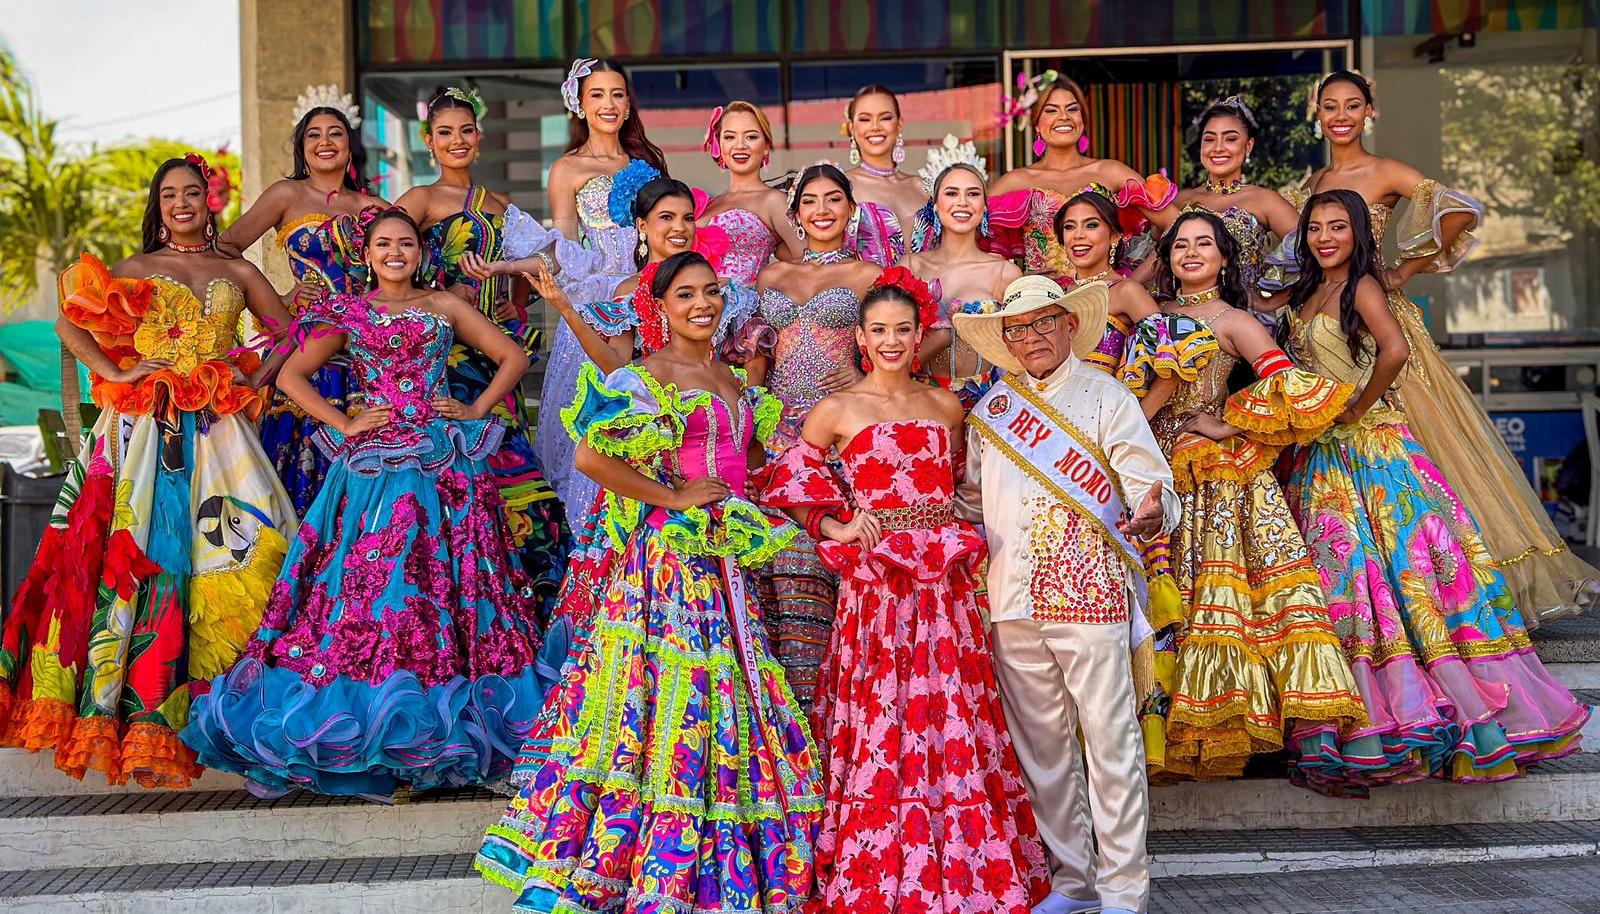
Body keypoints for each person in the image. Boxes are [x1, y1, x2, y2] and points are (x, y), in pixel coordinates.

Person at [475, 251, 823, 913]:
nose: (703, 304)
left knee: (728, 693)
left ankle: (721, 858)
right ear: (658, 308)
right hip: (670, 563)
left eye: (712, 291)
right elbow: (590, 456)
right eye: (686, 293)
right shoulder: (644, 376)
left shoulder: (732, 376)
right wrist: (675, 499)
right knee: (679, 695)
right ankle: (652, 864)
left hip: (730, 559)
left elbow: (748, 458)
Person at [181, 208, 549, 797]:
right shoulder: (350, 312)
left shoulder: (444, 306)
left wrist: (476, 409)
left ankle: (434, 719)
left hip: (440, 457)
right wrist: (344, 421)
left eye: (406, 243)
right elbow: (291, 377)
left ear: (420, 253)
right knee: (377, 582)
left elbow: (514, 356)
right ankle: (382, 718)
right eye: (385, 244)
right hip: (374, 462)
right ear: (369, 254)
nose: (397, 252)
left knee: (446, 582)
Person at [1279, 190, 1590, 792]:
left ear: (1356, 234)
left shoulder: (1362, 286)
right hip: (1322, 460)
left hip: (1372, 451)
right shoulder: (1305, 294)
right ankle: (1372, 719)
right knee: (1350, 584)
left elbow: (1394, 350)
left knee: (1407, 580)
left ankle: (1459, 717)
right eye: (1316, 228)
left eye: (1337, 227)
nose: (1324, 238)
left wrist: (1355, 408)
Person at [0, 156, 296, 788]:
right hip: (140, 432)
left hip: (220, 433)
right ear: (158, 206)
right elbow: (68, 323)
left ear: (209, 202)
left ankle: (236, 709)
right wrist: (114, 372)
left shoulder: (238, 270)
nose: (182, 203)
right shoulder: (136, 269)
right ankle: (137, 713)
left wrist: (254, 375)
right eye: (170, 195)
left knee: (254, 551)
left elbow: (290, 334)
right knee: (136, 560)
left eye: (192, 193)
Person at [763, 268, 1049, 914]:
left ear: (921, 335)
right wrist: (834, 521)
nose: (891, 341)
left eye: (902, 330)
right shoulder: (836, 410)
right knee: (883, 717)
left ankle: (962, 862)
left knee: (951, 714)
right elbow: (786, 477)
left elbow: (974, 487)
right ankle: (883, 858)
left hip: (945, 589)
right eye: (879, 331)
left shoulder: (947, 406)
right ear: (861, 337)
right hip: (878, 586)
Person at [1289, 69, 1598, 625]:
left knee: (1427, 449)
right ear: (1317, 113)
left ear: (1370, 112)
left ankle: (1469, 588)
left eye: (1352, 105)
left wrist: (1403, 268)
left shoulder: (1384, 171)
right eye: (1330, 105)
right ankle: (1395, 590)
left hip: (1379, 318)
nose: (1340, 115)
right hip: (1334, 329)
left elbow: (1461, 209)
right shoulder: (1310, 183)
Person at [952, 275, 1176, 914]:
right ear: (1005, 340)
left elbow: (1150, 485)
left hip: (1086, 594)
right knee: (1044, 756)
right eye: (1017, 329)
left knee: (1111, 748)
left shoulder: (1107, 396)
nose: (1031, 337)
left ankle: (1124, 893)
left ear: (1068, 325)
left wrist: (1153, 511)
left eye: (1042, 323)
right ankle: (1073, 884)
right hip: (1011, 597)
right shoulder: (992, 411)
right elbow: (970, 499)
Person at [1127, 211, 1366, 782]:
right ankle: (1167, 734)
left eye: (1204, 244)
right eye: (1179, 245)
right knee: (1166, 598)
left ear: (1226, 257)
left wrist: (1225, 423)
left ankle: (1230, 729)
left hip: (1219, 477)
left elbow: (1287, 384)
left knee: (1225, 600)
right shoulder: (1150, 316)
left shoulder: (1236, 320)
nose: (1191, 253)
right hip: (1154, 469)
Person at [394, 87, 567, 619]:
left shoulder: (502, 207)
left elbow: (540, 270)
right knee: (459, 477)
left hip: (497, 353)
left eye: (465, 131)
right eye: (444, 133)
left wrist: (510, 302)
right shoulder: (418, 201)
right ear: (428, 142)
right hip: (444, 358)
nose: (457, 141)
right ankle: (460, 605)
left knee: (513, 475)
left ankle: (524, 605)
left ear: (480, 136)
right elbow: (382, 263)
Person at [748, 162, 882, 710]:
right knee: (782, 564)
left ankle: (842, 706)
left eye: (834, 200)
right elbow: (755, 354)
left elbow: (909, 337)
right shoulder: (769, 277)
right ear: (796, 213)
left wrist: (866, 378)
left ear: (851, 210)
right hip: (778, 436)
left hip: (841, 437)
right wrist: (753, 418)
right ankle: (792, 714)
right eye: (810, 201)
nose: (822, 210)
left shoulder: (871, 274)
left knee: (840, 559)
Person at [220, 92, 388, 513]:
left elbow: (408, 263)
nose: (325, 141)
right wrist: (277, 298)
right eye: (314, 134)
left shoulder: (376, 208)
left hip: (368, 350)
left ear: (351, 145)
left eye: (336, 133)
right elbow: (225, 250)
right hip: (305, 347)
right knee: (301, 474)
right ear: (302, 146)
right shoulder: (286, 195)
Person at [524, 59, 670, 527]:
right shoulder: (567, 169)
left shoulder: (648, 163)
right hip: (596, 304)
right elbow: (562, 250)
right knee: (596, 425)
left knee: (653, 425)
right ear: (580, 105)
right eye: (598, 95)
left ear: (629, 103)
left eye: (617, 94)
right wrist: (511, 269)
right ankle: (589, 545)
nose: (609, 104)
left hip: (652, 300)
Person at [988, 73, 1177, 276]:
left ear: (1082, 120)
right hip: (1041, 303)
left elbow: (1177, 224)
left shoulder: (1110, 172)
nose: (1064, 117)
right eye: (1051, 110)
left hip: (1105, 301)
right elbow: (968, 234)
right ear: (1036, 123)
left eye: (1072, 109)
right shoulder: (1016, 181)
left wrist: (1134, 283)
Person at [900, 136, 1021, 408]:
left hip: (993, 409)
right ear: (935, 206)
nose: (963, 202)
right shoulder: (908, 269)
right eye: (952, 193)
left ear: (984, 207)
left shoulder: (1005, 273)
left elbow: (1021, 354)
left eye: (973, 194)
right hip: (922, 407)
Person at [1173, 96, 1299, 312]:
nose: (1218, 148)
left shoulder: (1264, 200)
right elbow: (1154, 262)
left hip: (1246, 322)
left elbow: (1317, 255)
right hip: (1187, 323)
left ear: (1248, 145)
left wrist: (1271, 302)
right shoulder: (1180, 201)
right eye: (1209, 139)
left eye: (1230, 139)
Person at [697, 101, 802, 285]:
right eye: (730, 137)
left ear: (766, 146)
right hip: (700, 308)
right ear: (719, 145)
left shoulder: (774, 201)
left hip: (747, 309)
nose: (740, 145)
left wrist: (762, 283)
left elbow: (808, 261)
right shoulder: (708, 204)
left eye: (751, 137)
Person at [841, 84, 924, 238]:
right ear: (852, 128)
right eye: (865, 119)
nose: (875, 127)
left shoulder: (923, 188)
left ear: (899, 124)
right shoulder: (842, 188)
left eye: (885, 118)